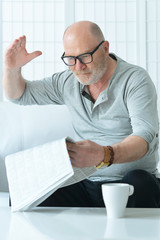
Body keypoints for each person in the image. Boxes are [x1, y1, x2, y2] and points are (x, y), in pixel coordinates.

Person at [3, 21, 160, 208]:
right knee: (23, 194)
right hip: (86, 183)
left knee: (142, 183)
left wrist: (105, 155)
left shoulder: (135, 80)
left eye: (85, 57)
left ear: (105, 48)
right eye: (70, 58)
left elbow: (145, 137)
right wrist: (12, 69)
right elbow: (19, 95)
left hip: (129, 184)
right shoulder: (67, 81)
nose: (78, 67)